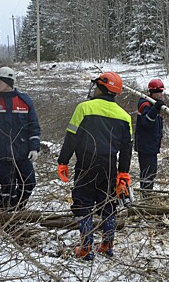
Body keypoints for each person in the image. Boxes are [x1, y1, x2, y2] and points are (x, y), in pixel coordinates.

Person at [57, 72, 133, 261]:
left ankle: (86, 248)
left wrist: (63, 161)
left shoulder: (84, 108)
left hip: (86, 164)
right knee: (108, 204)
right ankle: (107, 245)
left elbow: (71, 138)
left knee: (82, 203)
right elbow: (126, 148)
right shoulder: (124, 116)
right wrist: (123, 172)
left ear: (101, 88)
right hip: (110, 166)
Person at [0, 66, 41, 210]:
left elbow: (34, 127)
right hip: (1, 153)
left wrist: (34, 148)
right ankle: (7, 212)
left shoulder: (24, 101)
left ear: (8, 82)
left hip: (22, 152)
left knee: (29, 182)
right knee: (7, 186)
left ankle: (19, 206)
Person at [134, 78, 165, 191]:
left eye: (161, 92)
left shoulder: (153, 104)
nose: (160, 94)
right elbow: (146, 122)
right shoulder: (145, 104)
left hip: (151, 144)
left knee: (152, 171)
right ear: (152, 92)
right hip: (146, 145)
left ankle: (148, 191)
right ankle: (146, 194)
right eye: (158, 92)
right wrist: (155, 109)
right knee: (147, 172)